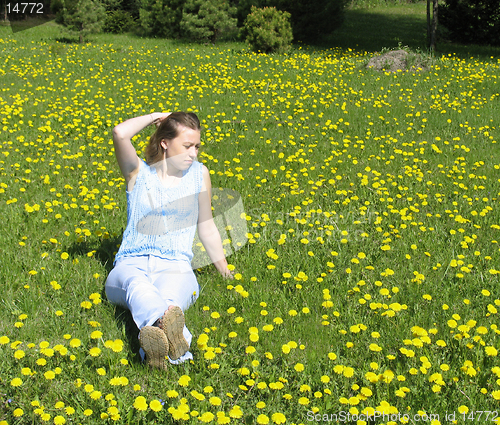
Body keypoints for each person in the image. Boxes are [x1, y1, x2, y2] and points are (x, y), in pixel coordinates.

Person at [105, 111, 234, 370]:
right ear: (165, 142)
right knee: (137, 287)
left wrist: (225, 270)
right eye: (187, 146)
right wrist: (155, 117)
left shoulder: (199, 175)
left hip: (175, 264)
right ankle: (176, 347)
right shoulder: (138, 173)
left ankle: (155, 351)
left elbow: (206, 225)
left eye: (197, 146)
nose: (193, 153)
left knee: (170, 299)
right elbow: (120, 133)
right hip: (131, 263)